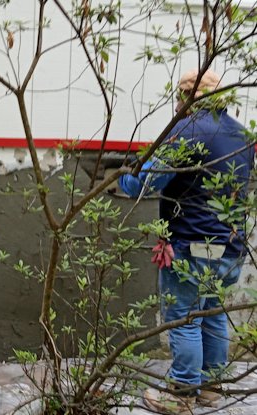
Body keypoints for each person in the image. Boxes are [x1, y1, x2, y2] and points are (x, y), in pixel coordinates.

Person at [118, 69, 254, 414]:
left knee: (184, 317)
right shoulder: (242, 134)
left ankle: (181, 394)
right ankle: (210, 387)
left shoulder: (188, 129)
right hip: (230, 247)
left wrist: (126, 179)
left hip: (192, 245)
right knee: (211, 313)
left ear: (184, 97)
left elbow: (149, 182)